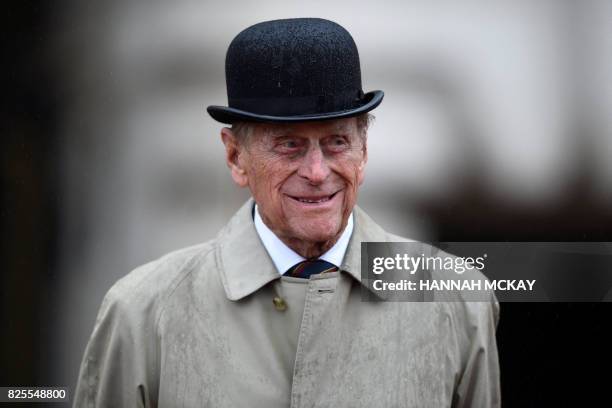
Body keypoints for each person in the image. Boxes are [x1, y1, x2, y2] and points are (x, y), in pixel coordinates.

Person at [73, 18, 500, 407]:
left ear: (364, 151)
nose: (317, 172)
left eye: (337, 141)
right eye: (288, 145)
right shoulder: (142, 314)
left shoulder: (456, 302)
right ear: (235, 156)